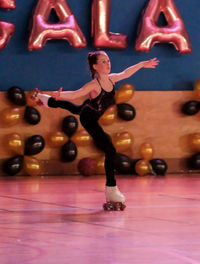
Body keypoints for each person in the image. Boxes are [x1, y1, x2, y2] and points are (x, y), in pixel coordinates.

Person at [31, 51, 159, 210]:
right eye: (103, 62)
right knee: (110, 148)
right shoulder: (93, 85)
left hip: (89, 109)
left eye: (108, 60)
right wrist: (59, 95)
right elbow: (75, 94)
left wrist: (142, 64)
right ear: (95, 66)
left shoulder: (112, 79)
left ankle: (44, 99)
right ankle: (111, 189)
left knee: (75, 108)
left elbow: (126, 73)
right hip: (89, 118)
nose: (108, 64)